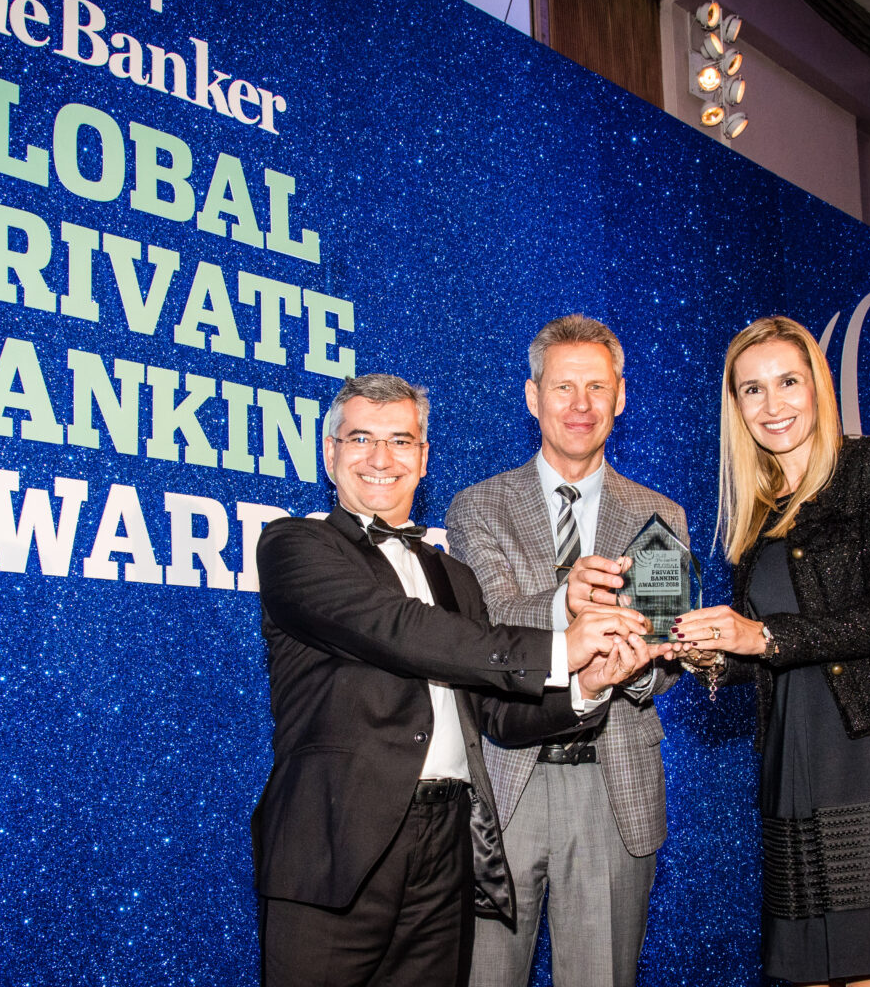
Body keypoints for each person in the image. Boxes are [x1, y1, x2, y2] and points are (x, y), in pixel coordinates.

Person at [252, 373, 658, 987]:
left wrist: (588, 686)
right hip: (336, 843)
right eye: (360, 439)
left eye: (401, 441)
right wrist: (562, 646)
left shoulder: (455, 577)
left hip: (448, 846)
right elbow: (398, 629)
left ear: (423, 459)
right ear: (330, 453)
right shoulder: (293, 545)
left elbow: (495, 714)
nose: (381, 458)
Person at [670, 316, 870, 986]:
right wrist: (711, 655)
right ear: (736, 407)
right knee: (808, 967)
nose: (772, 404)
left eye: (788, 382)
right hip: (793, 755)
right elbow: (762, 652)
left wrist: (761, 635)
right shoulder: (755, 513)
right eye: (752, 390)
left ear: (818, 386)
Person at [446, 316, 688, 987]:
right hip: (508, 785)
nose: (581, 405)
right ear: (533, 397)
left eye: (597, 387)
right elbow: (489, 624)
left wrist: (635, 672)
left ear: (621, 397)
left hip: (613, 788)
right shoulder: (478, 507)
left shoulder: (660, 516)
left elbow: (664, 649)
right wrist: (565, 606)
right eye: (563, 388)